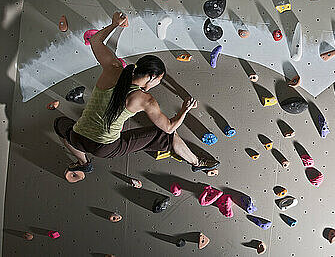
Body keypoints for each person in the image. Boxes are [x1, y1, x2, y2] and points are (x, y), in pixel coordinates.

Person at [54, 12, 219, 175]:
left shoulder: (112, 68)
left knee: (60, 124)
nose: (157, 84)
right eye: (158, 81)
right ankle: (197, 163)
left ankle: (83, 163)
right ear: (152, 77)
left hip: (76, 137)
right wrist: (185, 109)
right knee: (165, 137)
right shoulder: (145, 100)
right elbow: (169, 128)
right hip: (103, 148)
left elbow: (95, 40)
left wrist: (114, 24)